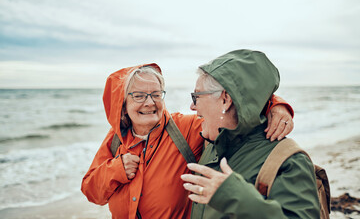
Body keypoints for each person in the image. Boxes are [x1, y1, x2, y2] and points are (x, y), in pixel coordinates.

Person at [81, 63, 294, 219]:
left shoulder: (184, 128)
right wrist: (116, 169)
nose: (150, 102)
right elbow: (92, 192)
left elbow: (228, 110)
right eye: (139, 96)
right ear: (122, 103)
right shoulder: (115, 139)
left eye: (156, 94)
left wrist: (277, 105)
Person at [181, 49, 319, 218]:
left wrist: (239, 199)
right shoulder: (209, 144)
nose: (192, 107)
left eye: (196, 96)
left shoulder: (289, 161)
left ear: (225, 99)